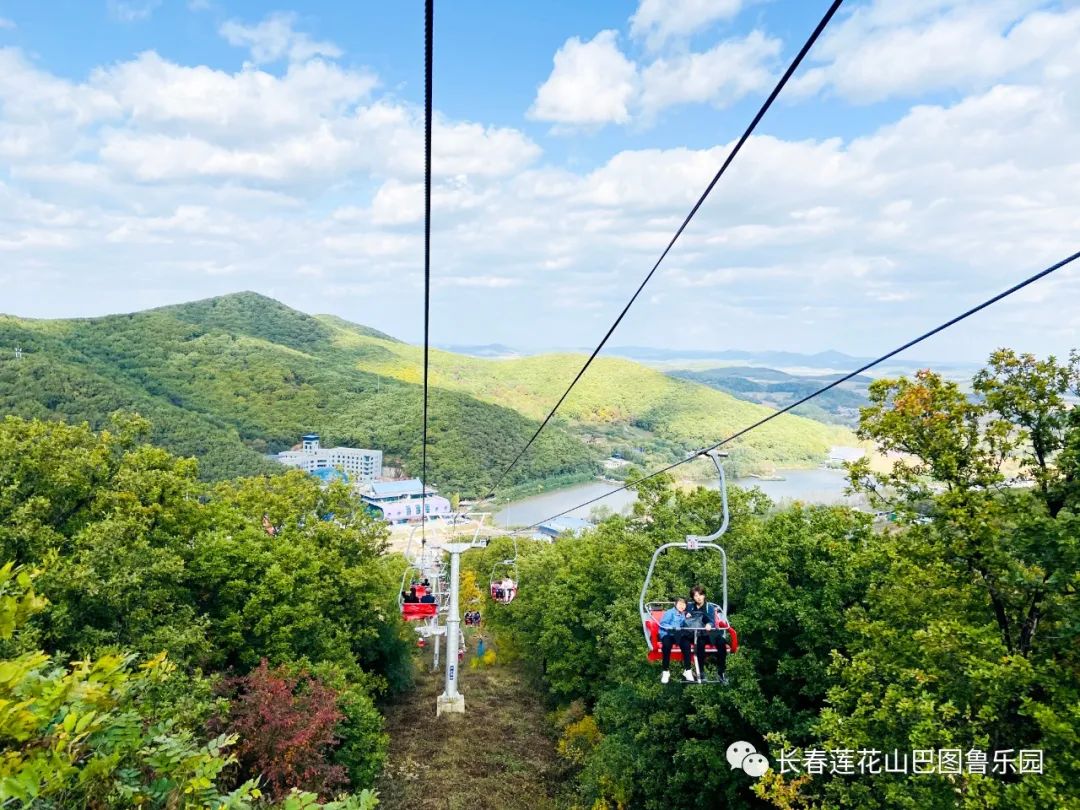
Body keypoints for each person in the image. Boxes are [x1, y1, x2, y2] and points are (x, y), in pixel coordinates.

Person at [685, 584, 728, 683]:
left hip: (709, 631)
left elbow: (712, 620)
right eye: (695, 596)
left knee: (721, 642)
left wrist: (709, 624)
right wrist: (687, 615)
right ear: (693, 598)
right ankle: (701, 672)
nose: (698, 598)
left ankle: (721, 672)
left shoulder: (710, 607)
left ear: (704, 595)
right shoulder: (690, 606)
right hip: (697, 632)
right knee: (700, 644)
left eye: (700, 595)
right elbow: (684, 613)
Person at [658, 596, 695, 684]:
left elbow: (685, 625)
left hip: (679, 635)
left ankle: (688, 670)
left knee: (686, 645)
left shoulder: (684, 614)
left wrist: (688, 619)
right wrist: (673, 628)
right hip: (668, 634)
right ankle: (665, 671)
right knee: (666, 645)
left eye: (684, 605)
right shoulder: (670, 612)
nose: (682, 606)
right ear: (675, 604)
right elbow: (663, 623)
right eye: (680, 604)